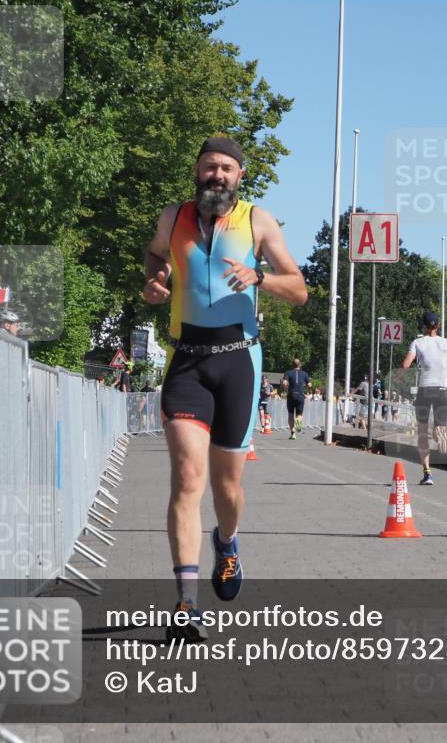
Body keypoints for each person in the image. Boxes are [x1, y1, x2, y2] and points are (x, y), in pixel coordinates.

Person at [142, 136, 307, 639]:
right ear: (196, 170)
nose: (217, 175)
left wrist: (258, 277)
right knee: (188, 478)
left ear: (239, 176)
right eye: (210, 166)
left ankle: (228, 542)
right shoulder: (173, 218)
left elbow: (298, 289)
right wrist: (154, 280)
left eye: (227, 169)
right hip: (187, 361)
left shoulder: (259, 220)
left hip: (238, 362)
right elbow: (154, 257)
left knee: (226, 487)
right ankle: (186, 605)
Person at [400, 311, 447, 485]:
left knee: (422, 433)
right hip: (443, 390)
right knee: (439, 429)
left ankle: (428, 474)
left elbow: (406, 364)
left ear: (423, 325)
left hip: (425, 390)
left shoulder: (417, 342)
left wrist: (399, 376)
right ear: (438, 326)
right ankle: (440, 436)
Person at [282, 358, 310, 440]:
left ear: (292, 365)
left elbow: (284, 382)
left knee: (291, 414)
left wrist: (284, 386)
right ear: (300, 365)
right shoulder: (304, 373)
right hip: (301, 395)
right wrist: (307, 387)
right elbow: (309, 384)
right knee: (299, 414)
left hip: (291, 395)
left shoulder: (288, 372)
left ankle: (293, 433)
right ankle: (298, 424)